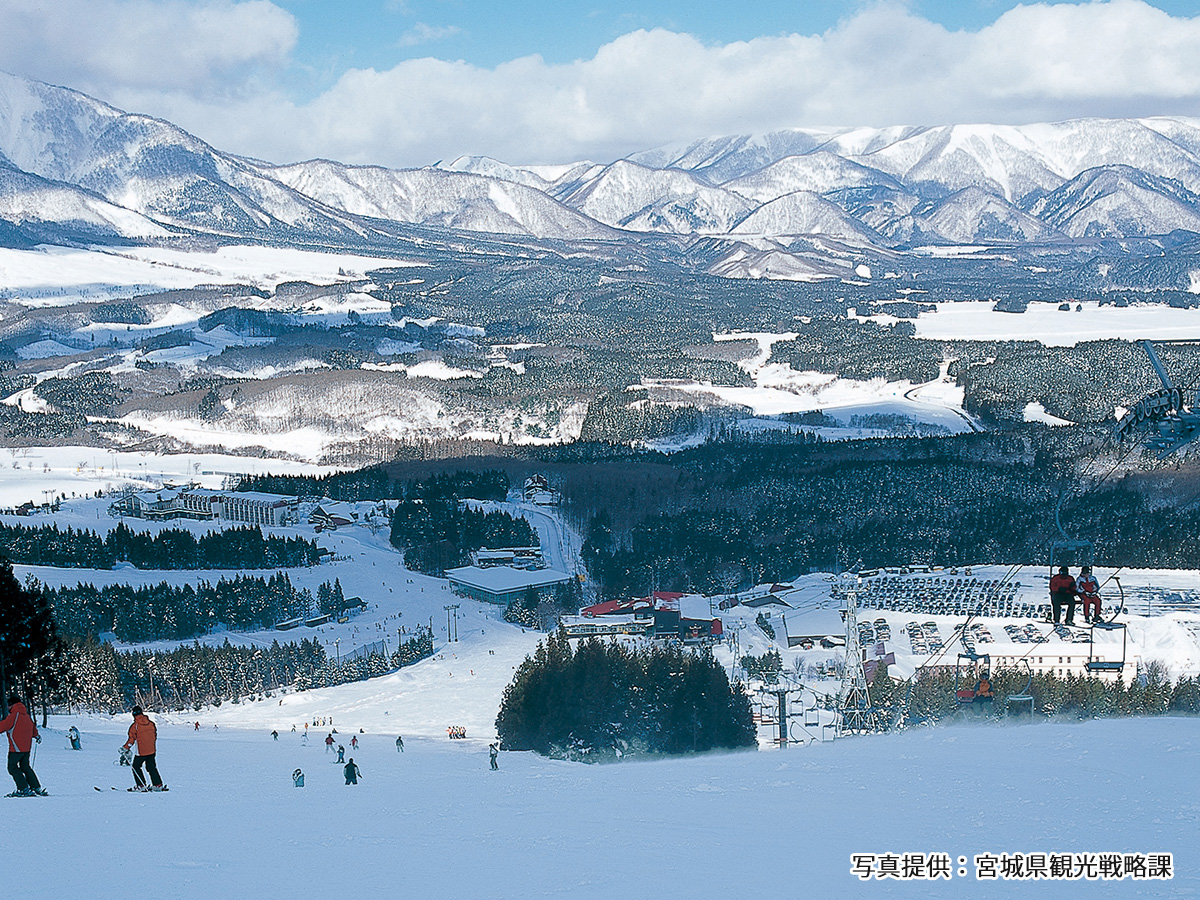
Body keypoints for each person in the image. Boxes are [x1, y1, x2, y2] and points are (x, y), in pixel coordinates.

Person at [1, 696, 45, 797]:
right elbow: (33, 728)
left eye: (8, 705)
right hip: (26, 748)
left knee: (12, 767)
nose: (7, 707)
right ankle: (36, 787)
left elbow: (4, 726)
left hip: (16, 748)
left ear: (12, 705)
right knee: (25, 766)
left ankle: (23, 788)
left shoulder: (14, 715)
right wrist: (36, 735)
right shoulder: (26, 715)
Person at [123, 705, 166, 792]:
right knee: (151, 767)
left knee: (136, 766)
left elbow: (131, 739)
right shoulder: (151, 723)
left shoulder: (135, 726)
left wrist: (125, 748)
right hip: (152, 750)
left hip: (141, 751)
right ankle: (157, 784)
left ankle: (141, 785)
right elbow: (154, 736)